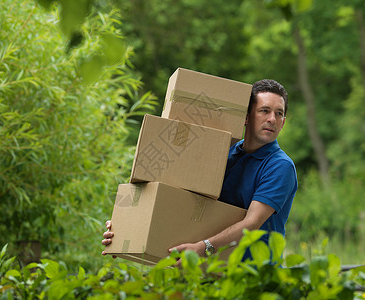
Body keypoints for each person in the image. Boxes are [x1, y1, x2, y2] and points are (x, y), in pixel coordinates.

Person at [102, 79, 297, 261]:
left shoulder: (280, 166)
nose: (272, 119)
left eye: (279, 113)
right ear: (246, 117)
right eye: (264, 111)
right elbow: (178, 198)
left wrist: (203, 249)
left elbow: (251, 223)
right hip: (207, 271)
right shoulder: (224, 153)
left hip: (254, 276)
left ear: (283, 122)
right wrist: (126, 228)